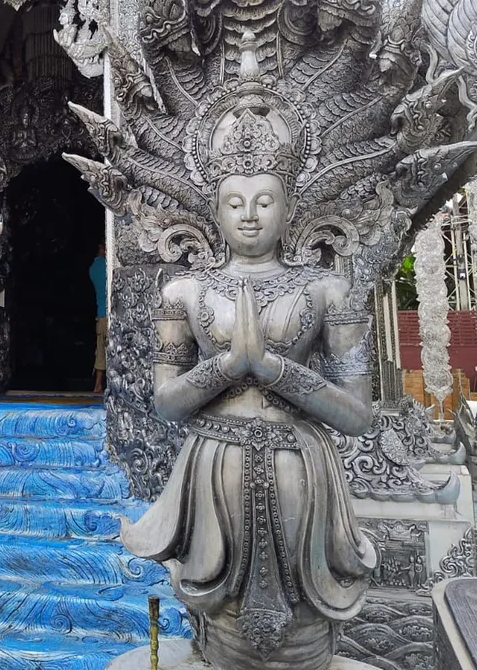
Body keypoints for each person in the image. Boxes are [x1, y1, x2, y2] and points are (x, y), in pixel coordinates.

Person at [121, 97, 377, 668]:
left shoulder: (327, 290)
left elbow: (359, 417)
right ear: (214, 213)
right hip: (213, 466)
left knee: (302, 632)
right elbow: (166, 403)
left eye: (265, 201)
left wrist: (274, 369)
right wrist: (229, 366)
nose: (250, 214)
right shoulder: (183, 292)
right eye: (234, 202)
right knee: (221, 626)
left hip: (302, 469)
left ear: (289, 211)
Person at [89, 242, 107, 393]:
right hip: (110, 316)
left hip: (101, 317)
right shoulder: (104, 266)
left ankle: (98, 385)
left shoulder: (93, 268)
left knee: (100, 352)